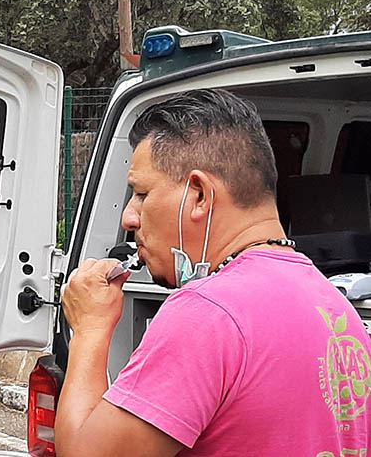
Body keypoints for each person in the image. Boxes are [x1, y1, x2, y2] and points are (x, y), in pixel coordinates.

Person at [55, 89, 371, 456]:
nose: (129, 217)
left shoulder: (206, 313)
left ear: (200, 195)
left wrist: (90, 329)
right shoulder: (335, 306)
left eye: (141, 193)